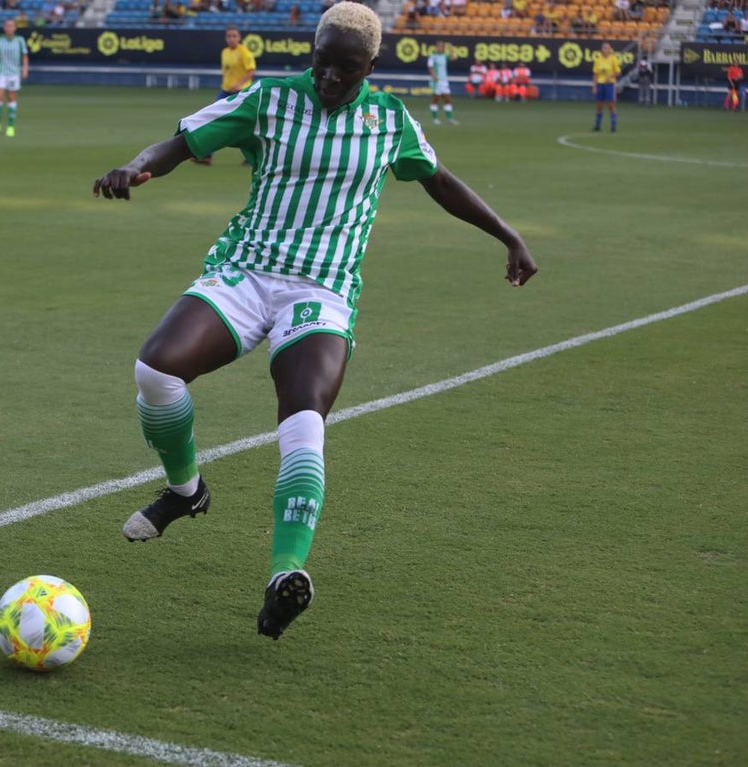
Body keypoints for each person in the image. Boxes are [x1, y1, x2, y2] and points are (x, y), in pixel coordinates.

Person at [91, 2, 537, 641]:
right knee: (155, 371)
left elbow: (438, 180)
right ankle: (186, 492)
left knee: (303, 421)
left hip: (322, 290)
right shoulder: (269, 98)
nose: (330, 78)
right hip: (246, 271)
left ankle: (284, 575)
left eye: (346, 70)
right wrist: (139, 166)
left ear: (371, 67)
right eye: (322, 62)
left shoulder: (389, 120)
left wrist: (508, 234)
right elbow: (185, 143)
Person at [194, 26, 256, 165]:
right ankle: (206, 156)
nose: (231, 39)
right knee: (212, 119)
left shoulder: (245, 52)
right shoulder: (225, 52)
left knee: (243, 125)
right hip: (225, 91)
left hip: (241, 93)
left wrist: (239, 84)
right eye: (229, 36)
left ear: (239, 38)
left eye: (234, 36)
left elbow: (251, 71)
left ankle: (252, 156)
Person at [0, 18, 29, 137]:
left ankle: (11, 126)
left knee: (11, 98)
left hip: (14, 73)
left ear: (15, 28)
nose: (9, 28)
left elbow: (25, 56)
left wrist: (25, 69)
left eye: (11, 26)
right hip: (1, 72)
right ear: (4, 27)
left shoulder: (20, 40)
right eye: (7, 26)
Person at [592, 42, 621, 132]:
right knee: (599, 105)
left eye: (607, 48)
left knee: (611, 105)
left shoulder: (613, 59)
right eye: (604, 48)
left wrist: (611, 76)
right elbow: (595, 74)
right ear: (601, 49)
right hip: (600, 84)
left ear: (610, 49)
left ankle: (613, 126)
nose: (606, 50)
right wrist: (594, 86)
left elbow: (618, 72)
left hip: (610, 84)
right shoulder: (598, 60)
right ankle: (597, 125)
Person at [426, 40, 457, 124]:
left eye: (441, 46)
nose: (440, 48)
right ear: (436, 47)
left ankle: (450, 118)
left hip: (444, 81)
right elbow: (430, 67)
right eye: (438, 46)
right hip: (436, 81)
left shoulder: (444, 56)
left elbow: (454, 58)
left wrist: (451, 49)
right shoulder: (433, 56)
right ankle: (435, 118)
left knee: (447, 99)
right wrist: (434, 76)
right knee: (435, 99)